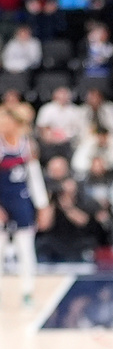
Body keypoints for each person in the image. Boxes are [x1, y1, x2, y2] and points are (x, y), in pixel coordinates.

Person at [0, 107, 46, 304]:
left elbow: (35, 177)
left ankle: (27, 292)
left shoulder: (27, 145)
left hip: (21, 200)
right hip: (2, 201)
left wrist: (42, 205)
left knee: (25, 248)